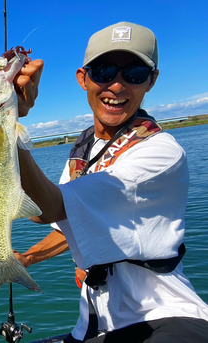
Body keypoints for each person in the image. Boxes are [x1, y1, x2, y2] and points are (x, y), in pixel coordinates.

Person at [13, 22, 208, 342]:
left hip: (164, 315)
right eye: (103, 71)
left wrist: (4, 123)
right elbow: (56, 219)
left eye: (133, 73)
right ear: (83, 78)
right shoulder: (83, 154)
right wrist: (26, 259)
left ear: (152, 80)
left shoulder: (161, 154)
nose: (117, 86)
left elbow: (49, 207)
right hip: (94, 323)